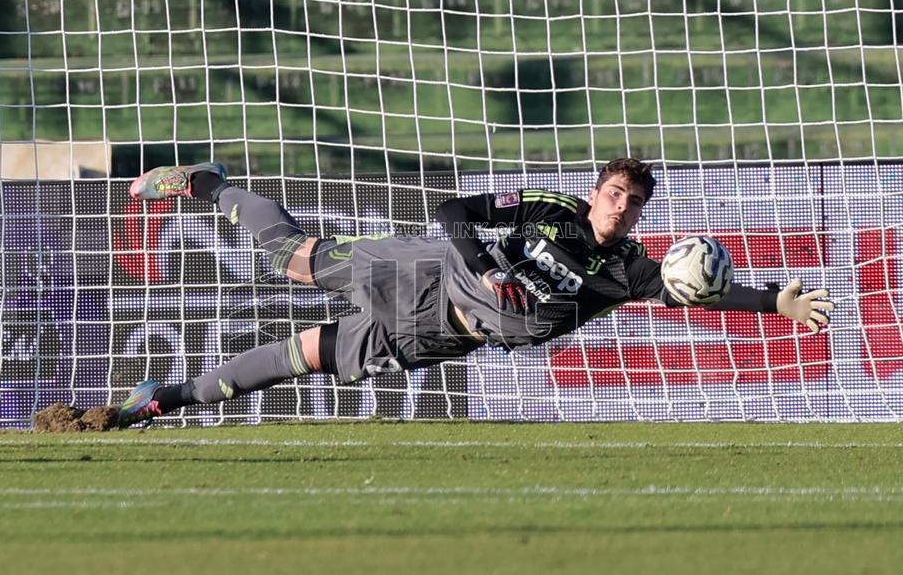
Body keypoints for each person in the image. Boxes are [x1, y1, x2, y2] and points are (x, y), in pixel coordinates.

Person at [114, 159, 835, 427]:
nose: (620, 207)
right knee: (287, 258)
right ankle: (206, 183)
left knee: (302, 358)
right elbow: (456, 212)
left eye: (633, 202)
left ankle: (162, 399)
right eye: (614, 193)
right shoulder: (551, 208)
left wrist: (773, 302)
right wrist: (485, 267)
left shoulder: (633, 271)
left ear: (641, 214)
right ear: (595, 193)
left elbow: (702, 296)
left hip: (446, 333)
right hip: (434, 271)